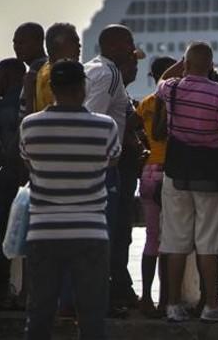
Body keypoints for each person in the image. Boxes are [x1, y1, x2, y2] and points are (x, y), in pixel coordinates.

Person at [20, 60, 122, 340]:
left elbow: (30, 164)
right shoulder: (105, 127)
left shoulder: (30, 126)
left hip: (43, 231)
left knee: (39, 313)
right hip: (90, 231)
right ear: (83, 87)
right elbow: (112, 160)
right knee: (91, 316)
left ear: (51, 88)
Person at [153, 42, 218, 323]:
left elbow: (159, 82)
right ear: (212, 65)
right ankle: (212, 305)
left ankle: (173, 305)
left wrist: (179, 66)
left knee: (176, 240)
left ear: (187, 64)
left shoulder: (172, 88)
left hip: (176, 172)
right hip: (211, 173)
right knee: (208, 241)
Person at [83, 24, 142, 312]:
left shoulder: (91, 68)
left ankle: (89, 297)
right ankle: (100, 300)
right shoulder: (109, 73)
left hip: (89, 167)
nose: (133, 49)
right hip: (102, 168)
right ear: (117, 46)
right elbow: (93, 118)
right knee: (105, 232)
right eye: (129, 43)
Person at [134, 55, 175, 317]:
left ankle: (146, 297)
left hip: (147, 171)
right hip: (167, 174)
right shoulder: (169, 101)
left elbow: (136, 130)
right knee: (169, 241)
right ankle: (165, 301)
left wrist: (142, 149)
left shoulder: (145, 103)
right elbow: (162, 134)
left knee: (151, 239)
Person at [0, 58, 27, 311]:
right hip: (28, 176)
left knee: (5, 233)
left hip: (8, 176)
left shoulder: (0, 109)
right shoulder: (26, 103)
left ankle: (2, 288)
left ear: (9, 77)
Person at [34, 23, 82, 113]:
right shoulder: (56, 76)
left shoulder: (46, 70)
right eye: (74, 41)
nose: (79, 46)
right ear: (57, 45)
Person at [14, 22, 46, 118]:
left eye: (22, 43)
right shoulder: (44, 66)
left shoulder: (37, 68)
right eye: (15, 42)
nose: (16, 47)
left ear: (39, 43)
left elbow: (26, 116)